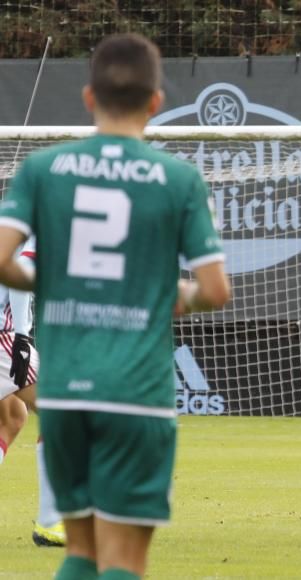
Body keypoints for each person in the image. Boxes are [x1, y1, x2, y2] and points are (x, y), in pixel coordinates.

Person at [0, 32, 230, 580]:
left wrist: (55, 283)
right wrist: (167, 295)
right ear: (156, 102)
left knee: (79, 550)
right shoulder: (178, 179)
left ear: (88, 98)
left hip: (67, 389)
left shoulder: (43, 169)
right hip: (138, 391)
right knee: (125, 558)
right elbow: (215, 290)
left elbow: (4, 260)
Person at [0, 237, 66, 547]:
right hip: (4, 337)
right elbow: (25, 269)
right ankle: (52, 523)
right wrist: (23, 337)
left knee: (12, 417)